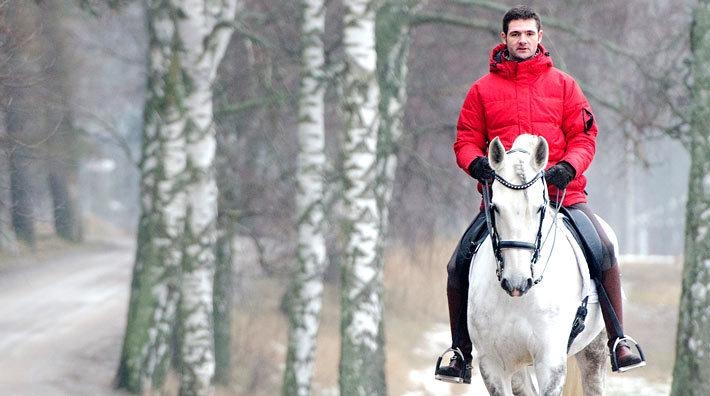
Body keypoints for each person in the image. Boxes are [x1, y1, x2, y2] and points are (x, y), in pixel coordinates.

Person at [434, 5, 645, 384]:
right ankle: (460, 351)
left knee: (603, 248)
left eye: (529, 34)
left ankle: (618, 339)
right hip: (504, 202)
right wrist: (478, 165)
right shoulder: (481, 90)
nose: (522, 40)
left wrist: (568, 168)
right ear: (504, 39)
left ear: (540, 37)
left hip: (561, 194)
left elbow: (585, 137)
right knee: (457, 264)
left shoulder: (565, 85)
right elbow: (465, 140)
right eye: (515, 34)